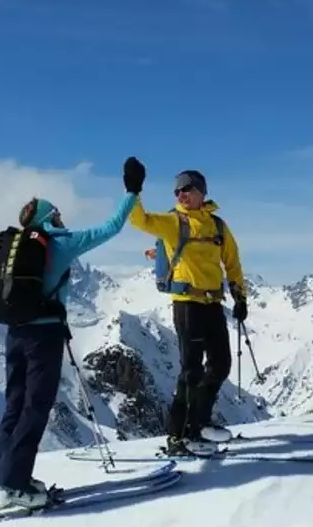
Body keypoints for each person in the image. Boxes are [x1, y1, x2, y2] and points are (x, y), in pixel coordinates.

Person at [0, 156, 146, 509]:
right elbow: (110, 228)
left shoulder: (18, 250)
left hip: (14, 333)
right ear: (48, 218)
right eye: (56, 213)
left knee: (14, 405)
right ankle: (16, 485)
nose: (62, 217)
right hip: (43, 337)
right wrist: (131, 191)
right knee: (36, 407)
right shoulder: (60, 243)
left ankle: (6, 476)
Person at [128, 168, 248, 455]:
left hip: (212, 304)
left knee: (220, 364)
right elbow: (139, 220)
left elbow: (232, 262)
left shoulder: (218, 226)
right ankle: (178, 436)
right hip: (186, 306)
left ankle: (200, 424)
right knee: (191, 370)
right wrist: (132, 192)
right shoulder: (173, 222)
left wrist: (240, 295)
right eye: (177, 191)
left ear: (201, 192)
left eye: (187, 189)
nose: (181, 194)